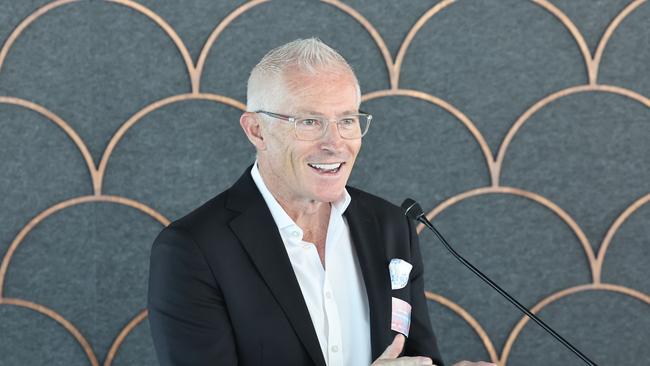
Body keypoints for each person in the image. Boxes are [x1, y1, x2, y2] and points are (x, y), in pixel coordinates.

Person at [148, 38, 494, 366]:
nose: (334, 143)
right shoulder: (194, 249)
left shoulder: (392, 227)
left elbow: (414, 357)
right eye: (309, 122)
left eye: (346, 120)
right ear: (256, 130)